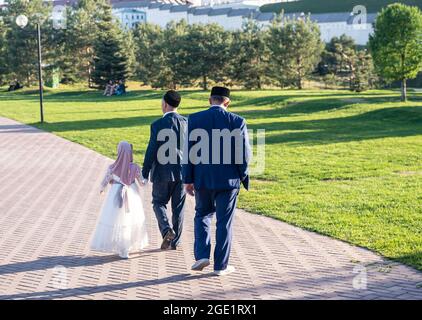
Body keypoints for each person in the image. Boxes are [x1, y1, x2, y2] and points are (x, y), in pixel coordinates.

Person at [183, 86, 250, 276]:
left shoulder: (194, 119)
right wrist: (243, 176)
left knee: (202, 214)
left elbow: (188, 152)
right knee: (224, 222)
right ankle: (220, 266)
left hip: (202, 178)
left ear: (209, 100)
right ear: (227, 102)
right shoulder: (237, 121)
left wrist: (188, 179)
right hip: (228, 181)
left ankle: (202, 255)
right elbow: (243, 155)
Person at [142, 90, 187, 250]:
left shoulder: (157, 125)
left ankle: (167, 229)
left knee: (158, 202)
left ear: (165, 104)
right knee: (178, 207)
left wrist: (145, 172)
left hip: (162, 172)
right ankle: (175, 242)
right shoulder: (187, 123)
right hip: (182, 173)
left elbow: (151, 150)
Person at [91, 141, 149, 259]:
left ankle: (121, 246)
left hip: (115, 195)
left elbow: (104, 182)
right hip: (132, 195)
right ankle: (126, 248)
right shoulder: (135, 167)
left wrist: (102, 189)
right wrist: (146, 178)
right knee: (129, 219)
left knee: (117, 219)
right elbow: (142, 183)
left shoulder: (112, 168)